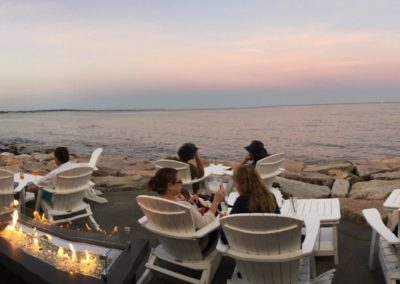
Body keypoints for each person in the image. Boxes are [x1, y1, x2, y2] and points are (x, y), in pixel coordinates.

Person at [148, 167, 225, 229]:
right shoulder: (184, 207)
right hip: (199, 242)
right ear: (170, 186)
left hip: (169, 240)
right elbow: (204, 224)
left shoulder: (154, 203)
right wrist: (216, 200)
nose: (182, 183)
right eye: (180, 181)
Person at [220, 165, 280, 244]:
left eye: (236, 183)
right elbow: (278, 224)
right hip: (269, 245)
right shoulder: (270, 197)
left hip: (246, 247)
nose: (236, 187)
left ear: (241, 184)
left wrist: (224, 221)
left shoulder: (241, 202)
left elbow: (225, 239)